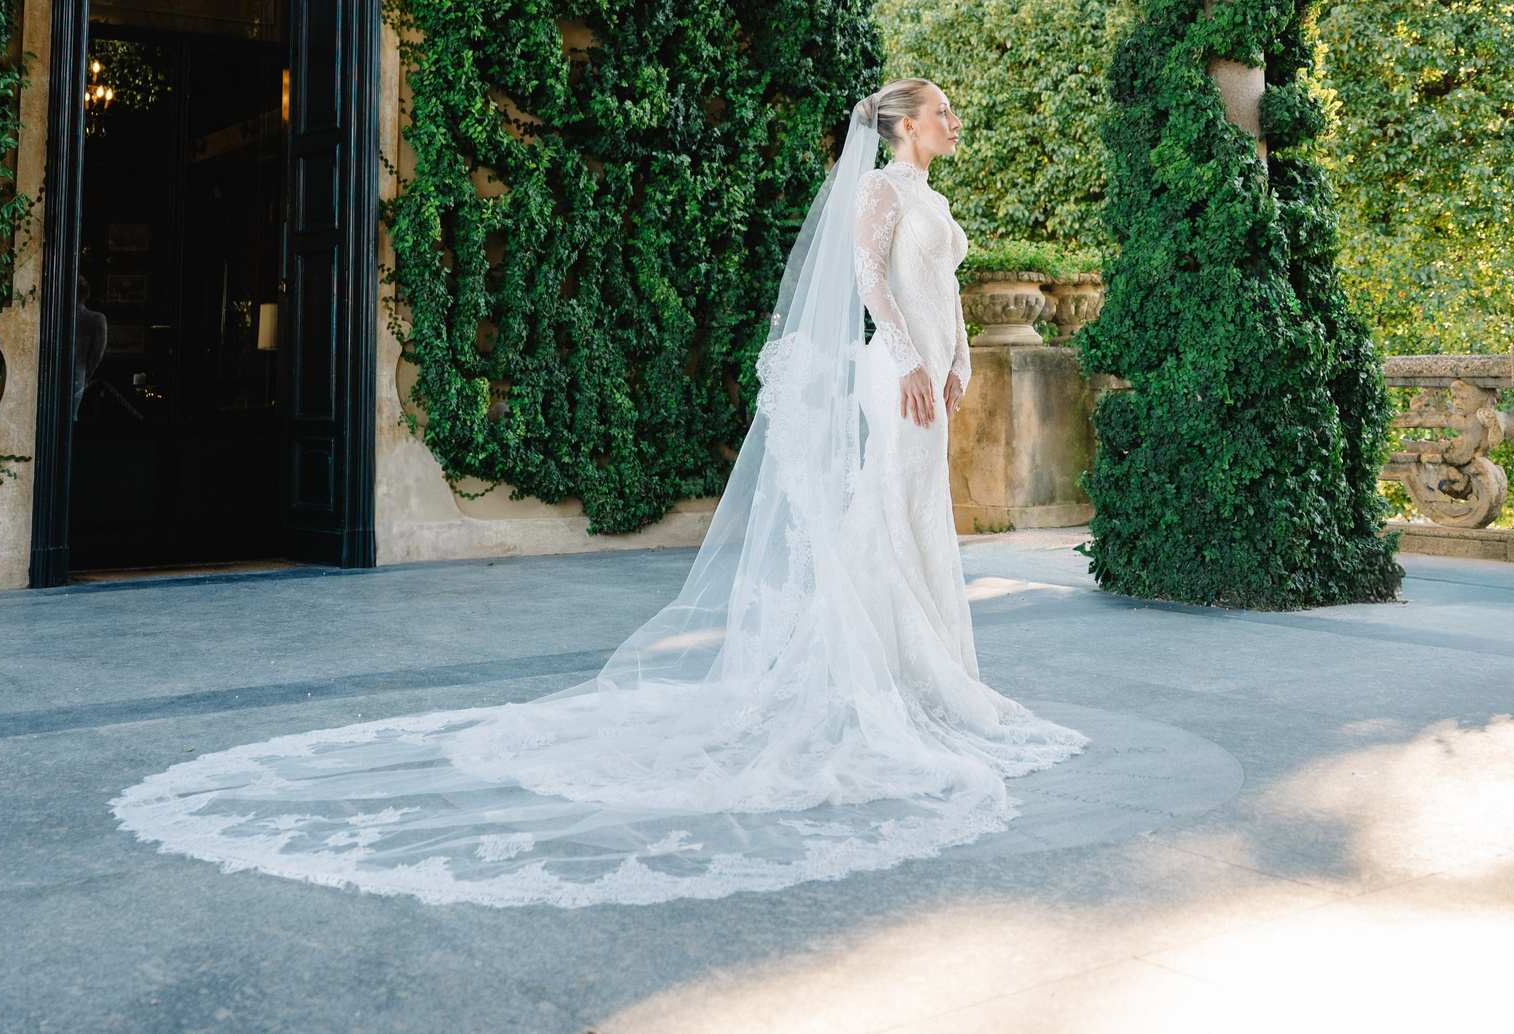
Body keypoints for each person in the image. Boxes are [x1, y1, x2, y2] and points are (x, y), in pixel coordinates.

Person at [114, 78, 1085, 906]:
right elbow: (872, 279)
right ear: (906, 121)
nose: (955, 121)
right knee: (887, 510)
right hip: (896, 370)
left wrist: (955, 358)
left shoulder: (932, 195)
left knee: (919, 517)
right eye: (944, 111)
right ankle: (880, 667)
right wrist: (912, 357)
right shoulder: (877, 189)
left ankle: (925, 668)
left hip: (934, 376)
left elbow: (941, 289)